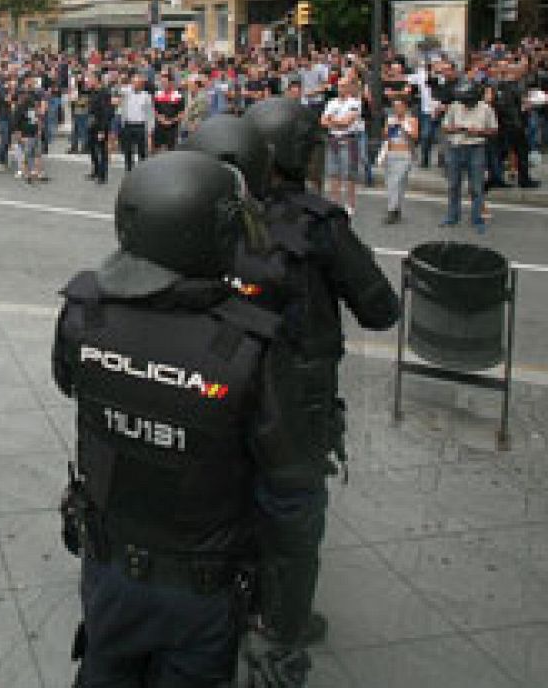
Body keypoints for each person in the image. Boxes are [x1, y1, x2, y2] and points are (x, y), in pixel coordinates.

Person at [53, 151, 300, 688]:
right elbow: (284, 483)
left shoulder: (83, 315)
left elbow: (71, 382)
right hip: (200, 591)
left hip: (108, 566)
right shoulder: (247, 347)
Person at [242, 98, 399, 670]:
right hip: (297, 397)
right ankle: (284, 622)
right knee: (294, 510)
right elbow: (381, 309)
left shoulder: (224, 212)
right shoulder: (320, 224)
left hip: (232, 382)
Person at [440, 82, 498, 232]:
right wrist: (457, 129)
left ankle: (477, 218)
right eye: (463, 100)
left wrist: (479, 132)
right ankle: (452, 216)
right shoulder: (454, 106)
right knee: (453, 185)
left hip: (476, 148)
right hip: (456, 147)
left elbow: (493, 130)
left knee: (476, 187)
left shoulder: (486, 109)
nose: (464, 103)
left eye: (467, 100)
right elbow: (445, 127)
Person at [320, 80, 364, 214]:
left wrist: (332, 120)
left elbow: (347, 122)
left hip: (349, 139)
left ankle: (350, 204)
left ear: (350, 87)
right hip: (333, 139)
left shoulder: (355, 103)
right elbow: (322, 121)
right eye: (339, 86)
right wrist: (336, 122)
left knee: (349, 174)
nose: (341, 88)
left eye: (344, 86)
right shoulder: (331, 102)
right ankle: (335, 203)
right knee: (334, 174)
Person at [380, 97, 419, 224]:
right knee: (392, 183)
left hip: (404, 154)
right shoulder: (390, 120)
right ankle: (397, 208)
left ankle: (391, 210)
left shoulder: (412, 120)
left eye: (399, 106)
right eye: (394, 106)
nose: (397, 109)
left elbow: (415, 136)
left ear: (405, 107)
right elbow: (385, 136)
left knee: (396, 182)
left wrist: (403, 126)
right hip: (390, 152)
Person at [118, 73, 153, 172]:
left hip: (140, 126)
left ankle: (142, 170)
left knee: (141, 150)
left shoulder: (146, 96)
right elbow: (119, 89)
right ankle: (128, 169)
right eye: (133, 82)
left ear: (142, 84)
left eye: (137, 83)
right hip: (128, 125)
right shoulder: (127, 93)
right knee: (128, 150)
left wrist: (149, 130)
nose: (134, 85)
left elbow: (150, 114)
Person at [86, 72, 115, 185]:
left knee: (102, 151)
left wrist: (102, 130)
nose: (88, 81)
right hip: (92, 124)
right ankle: (96, 170)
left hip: (101, 126)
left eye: (91, 78)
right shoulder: (92, 92)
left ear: (97, 80)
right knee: (92, 148)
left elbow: (106, 112)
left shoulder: (105, 93)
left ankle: (103, 176)